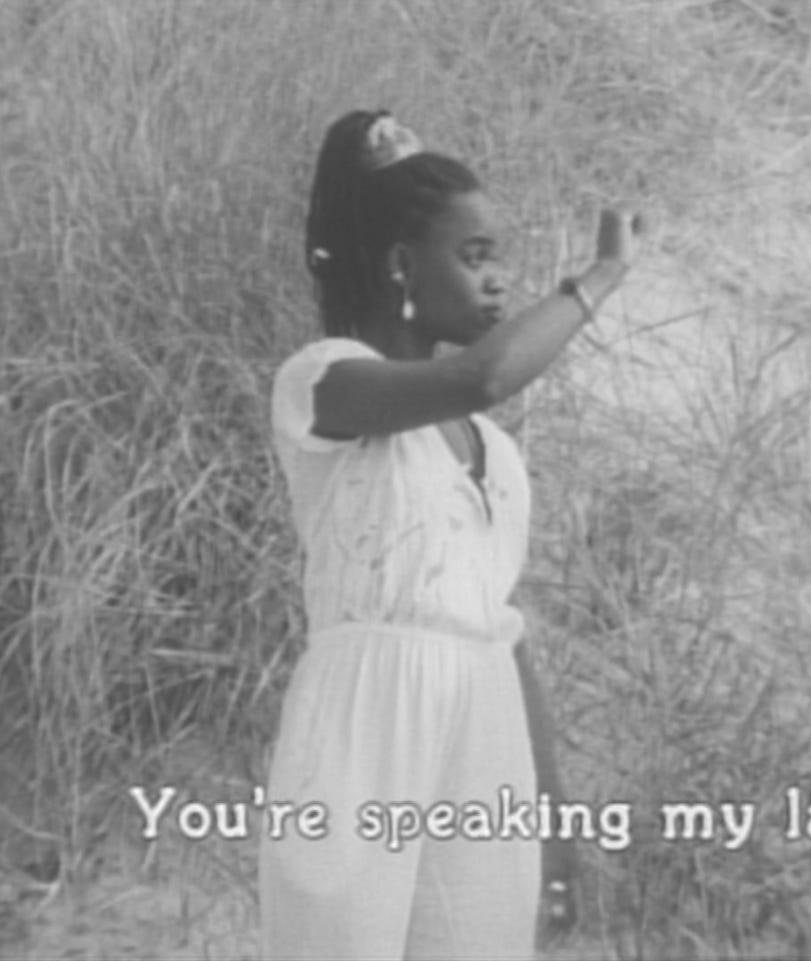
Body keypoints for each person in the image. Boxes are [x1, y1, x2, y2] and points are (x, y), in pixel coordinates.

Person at [259, 108, 641, 959]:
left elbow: (505, 639)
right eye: (475, 257)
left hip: (485, 723)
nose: (499, 280)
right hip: (366, 721)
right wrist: (601, 276)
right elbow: (486, 372)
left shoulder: (497, 455)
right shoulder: (323, 381)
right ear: (401, 264)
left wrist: (553, 824)